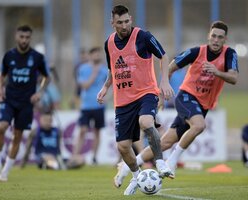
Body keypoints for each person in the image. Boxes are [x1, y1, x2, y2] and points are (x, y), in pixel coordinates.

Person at [114, 20, 239, 184]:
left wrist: (216, 72)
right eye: (213, 36)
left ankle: (125, 167)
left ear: (225, 40)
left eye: (220, 37)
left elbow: (234, 78)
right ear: (209, 36)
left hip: (203, 105)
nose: (216, 40)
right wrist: (163, 87)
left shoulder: (230, 54)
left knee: (165, 142)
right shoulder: (196, 52)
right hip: (186, 96)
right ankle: (171, 161)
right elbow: (172, 65)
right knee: (199, 125)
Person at [97, 5, 175, 195]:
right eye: (119, 23)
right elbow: (113, 69)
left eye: (126, 21)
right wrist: (106, 86)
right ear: (112, 23)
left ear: (130, 19)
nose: (124, 26)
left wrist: (164, 80)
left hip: (146, 92)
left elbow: (163, 56)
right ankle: (135, 176)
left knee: (145, 122)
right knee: (123, 146)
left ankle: (160, 162)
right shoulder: (108, 43)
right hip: (122, 100)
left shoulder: (143, 36)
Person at [0, 25, 49, 181]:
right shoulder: (9, 55)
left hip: (26, 103)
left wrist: (40, 92)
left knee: (17, 136)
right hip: (9, 99)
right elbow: (1, 75)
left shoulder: (37, 57)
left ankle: (5, 172)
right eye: (21, 37)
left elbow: (46, 77)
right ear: (17, 37)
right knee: (1, 127)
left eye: (27, 37)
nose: (24, 40)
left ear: (30, 38)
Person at [70, 47, 107, 165]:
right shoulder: (83, 69)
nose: (97, 56)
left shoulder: (105, 70)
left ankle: (94, 158)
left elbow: (109, 85)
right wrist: (94, 73)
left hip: (99, 106)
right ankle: (74, 156)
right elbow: (84, 86)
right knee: (83, 130)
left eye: (98, 54)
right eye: (95, 54)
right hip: (85, 106)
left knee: (97, 132)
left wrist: (108, 98)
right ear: (90, 56)